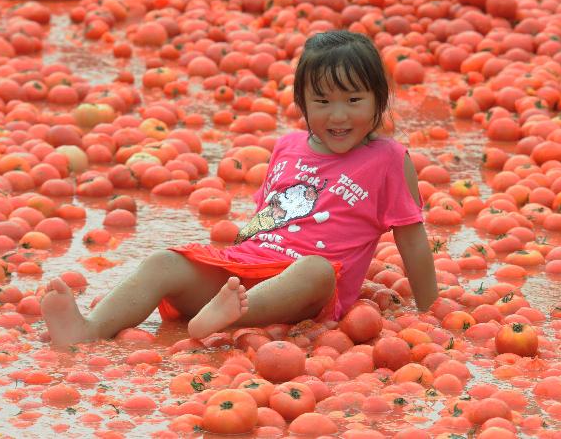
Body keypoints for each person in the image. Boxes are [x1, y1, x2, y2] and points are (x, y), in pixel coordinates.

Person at [40, 30, 439, 347]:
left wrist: (429, 309)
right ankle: (87, 329)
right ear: (302, 102)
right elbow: (267, 217)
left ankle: (230, 316)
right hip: (244, 273)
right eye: (322, 101)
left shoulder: (387, 158)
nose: (338, 115)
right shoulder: (288, 146)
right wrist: (228, 260)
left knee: (315, 269)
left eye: (354, 100)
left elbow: (413, 240)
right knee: (164, 261)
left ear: (378, 100)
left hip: (310, 288)